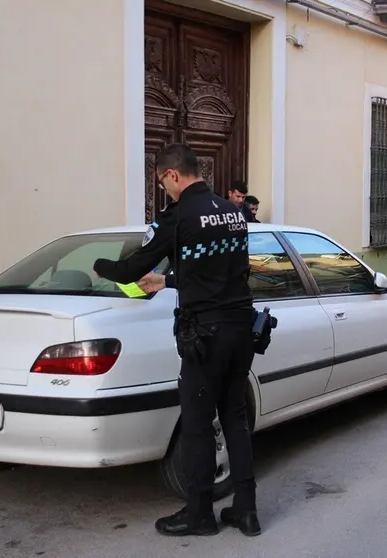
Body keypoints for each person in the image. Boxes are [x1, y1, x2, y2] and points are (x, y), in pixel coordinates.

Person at [92, 144, 261, 537]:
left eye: (162, 183)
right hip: (241, 328)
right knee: (234, 418)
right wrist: (168, 280)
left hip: (205, 333)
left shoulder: (180, 214)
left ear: (172, 175)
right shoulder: (234, 213)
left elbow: (132, 267)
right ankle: (247, 511)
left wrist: (101, 267)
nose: (164, 191)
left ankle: (200, 514)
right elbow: (223, 271)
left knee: (199, 424)